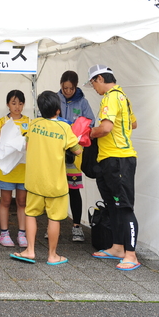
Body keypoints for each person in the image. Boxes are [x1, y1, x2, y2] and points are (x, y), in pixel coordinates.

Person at [10, 91, 81, 265]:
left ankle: (30, 251)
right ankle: (52, 255)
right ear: (58, 110)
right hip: (55, 183)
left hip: (34, 181)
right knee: (54, 218)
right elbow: (77, 150)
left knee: (31, 214)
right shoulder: (64, 128)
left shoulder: (33, 124)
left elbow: (27, 144)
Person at [87, 64, 141, 271]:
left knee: (124, 207)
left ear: (100, 79)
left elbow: (106, 128)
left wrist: (89, 133)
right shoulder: (123, 97)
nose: (94, 88)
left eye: (93, 83)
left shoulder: (110, 97)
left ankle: (131, 254)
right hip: (112, 158)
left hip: (118, 159)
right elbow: (133, 124)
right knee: (114, 205)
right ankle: (117, 247)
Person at [0, 90, 30, 248]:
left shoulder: (30, 122)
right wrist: (2, 132)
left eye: (20, 103)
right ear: (7, 104)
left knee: (22, 201)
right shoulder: (1, 121)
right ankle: (4, 233)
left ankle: (22, 233)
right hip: (6, 169)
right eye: (13, 103)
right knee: (5, 201)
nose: (17, 107)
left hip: (24, 169)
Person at [58, 70, 96, 242]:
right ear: (60, 86)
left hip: (75, 152)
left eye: (71, 88)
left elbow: (91, 122)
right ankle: (54, 224)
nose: (67, 91)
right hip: (57, 151)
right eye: (65, 88)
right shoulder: (54, 99)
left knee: (74, 190)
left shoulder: (82, 102)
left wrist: (76, 127)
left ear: (76, 86)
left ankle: (77, 227)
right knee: (56, 190)